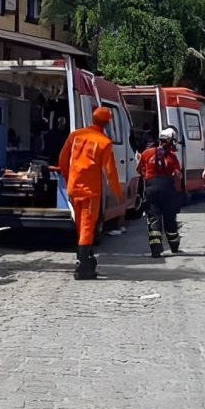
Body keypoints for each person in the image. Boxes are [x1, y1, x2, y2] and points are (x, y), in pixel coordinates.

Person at [58, 107, 122, 280]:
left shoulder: (75, 135)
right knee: (87, 227)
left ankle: (86, 258)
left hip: (74, 188)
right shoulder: (104, 142)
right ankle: (83, 266)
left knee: (80, 226)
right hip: (90, 192)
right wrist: (118, 195)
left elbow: (63, 159)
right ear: (108, 122)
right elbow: (110, 172)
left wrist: (67, 178)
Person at [138, 128, 182, 258]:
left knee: (153, 219)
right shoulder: (172, 157)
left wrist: (147, 176)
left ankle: (155, 250)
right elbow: (178, 175)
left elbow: (139, 169)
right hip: (168, 190)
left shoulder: (146, 153)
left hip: (151, 190)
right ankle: (174, 247)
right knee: (170, 220)